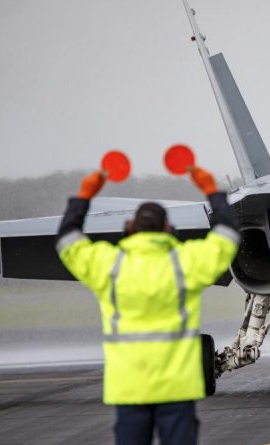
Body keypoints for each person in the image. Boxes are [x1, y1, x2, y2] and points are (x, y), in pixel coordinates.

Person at [55, 165, 239, 445]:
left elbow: (67, 239)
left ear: (129, 228)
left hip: (129, 389)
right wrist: (213, 192)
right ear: (169, 229)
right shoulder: (186, 263)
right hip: (177, 388)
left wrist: (84, 195)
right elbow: (227, 235)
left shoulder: (108, 266)